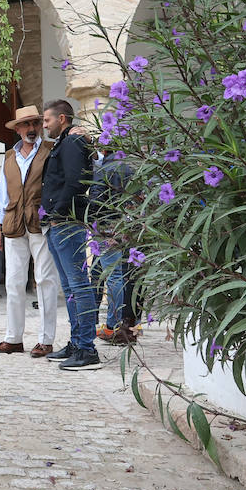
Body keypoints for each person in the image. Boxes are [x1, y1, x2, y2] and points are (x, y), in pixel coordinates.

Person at [0, 105, 59, 358]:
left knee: (44, 279)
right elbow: (2, 195)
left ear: (40, 126)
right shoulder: (10, 157)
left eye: (35, 124)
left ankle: (46, 339)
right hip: (13, 223)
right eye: (26, 125)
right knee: (13, 281)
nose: (31, 129)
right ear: (17, 129)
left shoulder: (51, 152)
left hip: (41, 222)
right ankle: (13, 338)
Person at [38, 100, 101, 372]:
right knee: (70, 287)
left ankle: (87, 349)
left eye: (46, 121)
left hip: (67, 221)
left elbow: (77, 180)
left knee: (79, 285)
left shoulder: (74, 142)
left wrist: (57, 210)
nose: (44, 126)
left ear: (61, 118)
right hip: (57, 221)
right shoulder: (65, 142)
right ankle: (77, 343)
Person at [87, 147, 137, 345]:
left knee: (111, 276)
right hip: (122, 226)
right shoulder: (130, 167)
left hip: (106, 227)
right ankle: (117, 324)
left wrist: (93, 222)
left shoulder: (105, 167)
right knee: (110, 274)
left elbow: (97, 197)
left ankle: (113, 326)